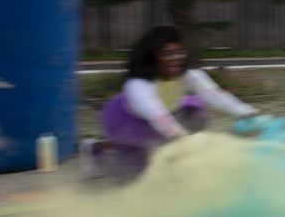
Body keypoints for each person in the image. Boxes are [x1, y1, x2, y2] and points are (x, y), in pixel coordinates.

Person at [81, 26, 259, 181]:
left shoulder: (189, 74)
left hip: (170, 115)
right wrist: (180, 135)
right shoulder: (138, 84)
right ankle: (95, 149)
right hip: (131, 121)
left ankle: (169, 156)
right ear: (152, 57)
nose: (176, 58)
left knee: (196, 115)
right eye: (167, 54)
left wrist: (247, 112)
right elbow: (156, 114)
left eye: (179, 52)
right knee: (130, 177)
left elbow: (214, 94)